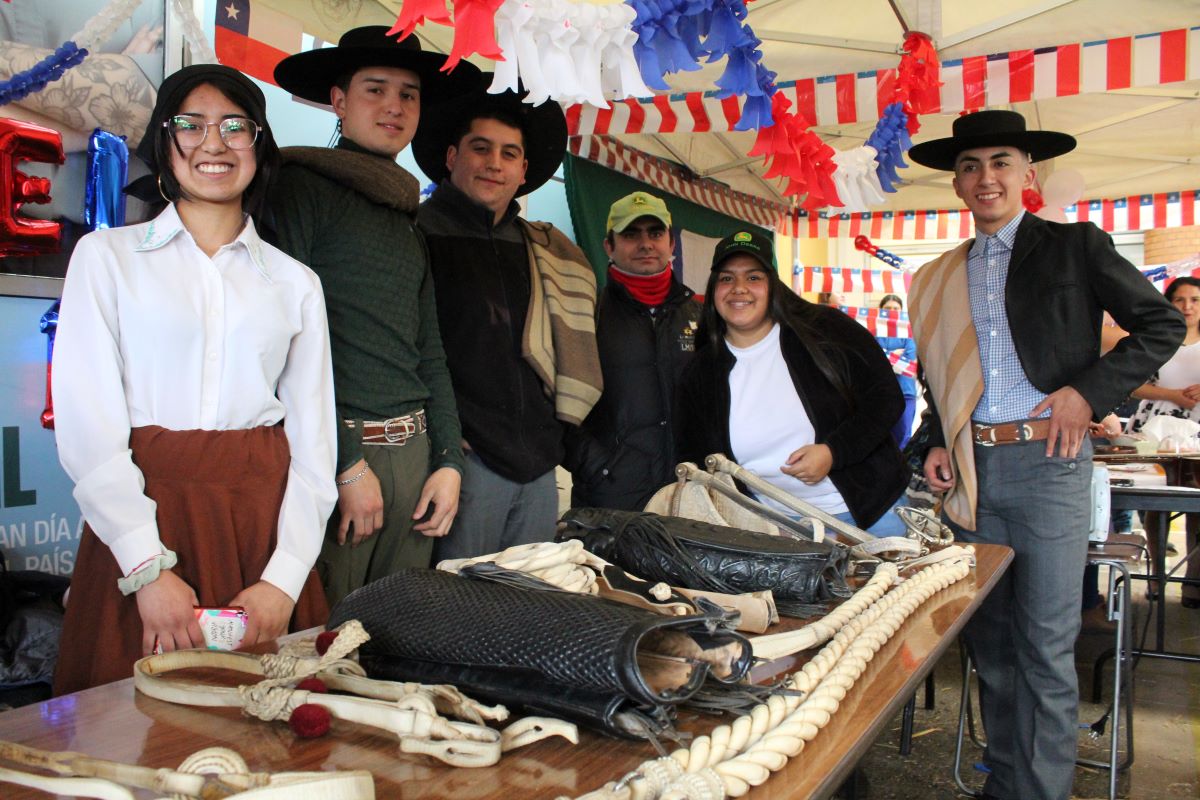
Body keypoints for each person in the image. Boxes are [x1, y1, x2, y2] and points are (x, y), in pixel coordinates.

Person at [906, 109, 1184, 800]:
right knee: (992, 644)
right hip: (973, 471)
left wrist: (1088, 393)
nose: (985, 176)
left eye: (1000, 162)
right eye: (970, 166)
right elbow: (936, 377)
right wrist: (934, 439)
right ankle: (1007, 784)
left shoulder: (1076, 246)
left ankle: (1044, 792)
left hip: (1050, 465)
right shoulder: (940, 274)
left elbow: (1163, 323)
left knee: (1046, 645)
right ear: (957, 185)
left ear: (1027, 175)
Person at [51, 65, 337, 694]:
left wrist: (282, 581)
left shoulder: (295, 283)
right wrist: (146, 571)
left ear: (259, 147)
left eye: (236, 127)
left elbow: (315, 452)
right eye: (192, 125)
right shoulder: (107, 260)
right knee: (131, 736)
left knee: (267, 743)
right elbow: (86, 428)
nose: (214, 143)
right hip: (146, 522)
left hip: (260, 529)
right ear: (165, 141)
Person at [269, 27, 480, 607]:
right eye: (375, 90)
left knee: (395, 634)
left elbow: (428, 348)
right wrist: (343, 464)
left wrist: (445, 459)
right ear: (339, 101)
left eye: (409, 94)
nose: (394, 106)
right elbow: (284, 343)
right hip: (341, 454)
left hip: (413, 459)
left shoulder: (405, 212)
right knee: (325, 639)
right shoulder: (300, 189)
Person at [412, 80, 602, 560]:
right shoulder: (417, 233)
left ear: (523, 171)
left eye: (509, 153)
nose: (494, 163)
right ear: (452, 156)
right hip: (462, 462)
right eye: (481, 148)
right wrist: (443, 440)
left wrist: (555, 438)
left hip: (538, 465)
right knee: (454, 607)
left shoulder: (544, 248)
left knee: (525, 605)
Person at [675, 230, 909, 537]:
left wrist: (833, 452)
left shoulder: (826, 330)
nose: (739, 289)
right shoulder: (702, 372)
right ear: (714, 288)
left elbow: (885, 399)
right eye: (727, 279)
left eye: (754, 277)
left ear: (774, 285)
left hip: (872, 514)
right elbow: (698, 457)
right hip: (779, 529)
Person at [564, 191, 700, 510]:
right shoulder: (585, 312)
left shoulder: (698, 316)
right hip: (609, 493)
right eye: (630, 234)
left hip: (684, 491)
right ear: (609, 246)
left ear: (671, 243)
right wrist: (596, 465)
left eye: (655, 233)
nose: (645, 243)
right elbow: (557, 399)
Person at [1126, 276, 1200, 608]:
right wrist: (1171, 395)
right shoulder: (1155, 339)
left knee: (1196, 500)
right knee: (1155, 501)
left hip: (1195, 429)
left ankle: (1193, 579)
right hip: (1155, 427)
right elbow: (1131, 384)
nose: (1187, 307)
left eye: (1195, 300)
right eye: (1180, 300)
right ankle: (1156, 572)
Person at [876, 294, 918, 448]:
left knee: (903, 434)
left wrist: (886, 355)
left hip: (906, 392)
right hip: (881, 394)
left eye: (896, 309)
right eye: (888, 309)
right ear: (880, 310)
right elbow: (873, 358)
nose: (892, 311)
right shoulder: (874, 331)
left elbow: (910, 357)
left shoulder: (909, 331)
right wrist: (896, 355)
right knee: (881, 435)